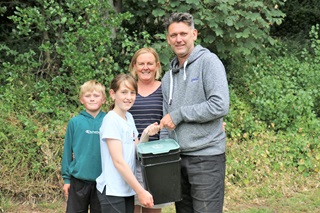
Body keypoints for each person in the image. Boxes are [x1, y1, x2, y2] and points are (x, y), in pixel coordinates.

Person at [160, 12, 230, 213]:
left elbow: (219, 105)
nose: (178, 39)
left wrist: (180, 114)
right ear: (168, 39)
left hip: (206, 157)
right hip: (177, 159)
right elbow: (166, 119)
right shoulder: (167, 77)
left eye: (183, 33)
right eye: (173, 35)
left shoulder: (209, 62)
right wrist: (165, 155)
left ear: (194, 34)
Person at [96, 73, 160, 213]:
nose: (129, 97)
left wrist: (146, 133)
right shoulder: (111, 120)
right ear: (112, 94)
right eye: (124, 92)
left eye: (132, 93)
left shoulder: (129, 117)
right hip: (112, 191)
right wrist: (141, 191)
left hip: (127, 188)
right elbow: (118, 161)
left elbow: (136, 149)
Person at [128, 47, 170, 213]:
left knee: (152, 207)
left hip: (155, 159)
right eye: (141, 63)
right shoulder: (128, 89)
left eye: (150, 63)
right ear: (135, 66)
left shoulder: (165, 89)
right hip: (130, 157)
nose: (145, 67)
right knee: (130, 207)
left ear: (157, 66)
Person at [61, 80, 107, 213]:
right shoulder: (75, 122)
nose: (92, 99)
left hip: (102, 181)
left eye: (96, 95)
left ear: (103, 99)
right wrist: (66, 179)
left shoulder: (109, 120)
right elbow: (67, 152)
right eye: (88, 96)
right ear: (81, 100)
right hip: (78, 180)